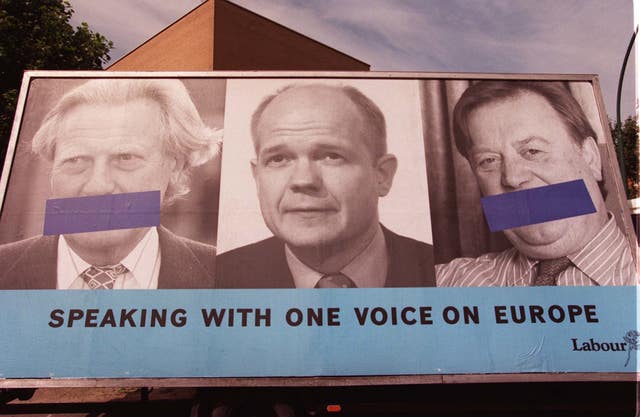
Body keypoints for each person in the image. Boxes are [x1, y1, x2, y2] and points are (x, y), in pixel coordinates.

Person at [0, 79, 220, 289]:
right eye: (76, 160)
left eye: (125, 158)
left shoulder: (228, 276)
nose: (98, 186)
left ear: (176, 166)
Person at [216, 83, 435, 288]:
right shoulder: (219, 278)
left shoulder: (438, 274)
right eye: (278, 159)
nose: (303, 180)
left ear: (382, 176)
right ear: (257, 178)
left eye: (331, 156)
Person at [437, 81, 637, 286]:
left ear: (590, 158)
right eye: (488, 160)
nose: (512, 178)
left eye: (533, 151)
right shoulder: (446, 282)